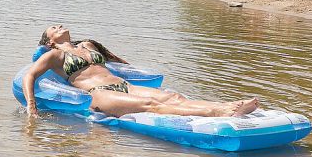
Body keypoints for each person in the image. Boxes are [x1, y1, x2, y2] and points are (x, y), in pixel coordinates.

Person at [24, 25, 260, 118]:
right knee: (151, 106)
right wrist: (31, 105)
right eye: (53, 28)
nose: (59, 26)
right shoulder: (54, 55)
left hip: (123, 85)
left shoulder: (87, 45)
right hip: (99, 93)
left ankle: (226, 104)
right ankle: (220, 111)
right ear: (50, 41)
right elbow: (30, 76)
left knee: (172, 96)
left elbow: (118, 61)